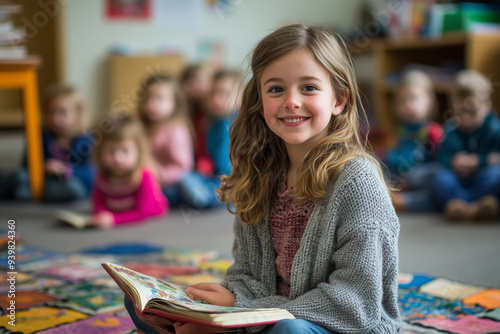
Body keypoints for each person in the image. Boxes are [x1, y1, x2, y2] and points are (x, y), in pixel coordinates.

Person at [125, 24, 401, 334]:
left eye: (308, 87)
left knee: (288, 331)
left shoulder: (357, 181)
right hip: (265, 317)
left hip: (343, 326)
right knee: (143, 306)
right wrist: (228, 302)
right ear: (259, 99)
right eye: (276, 89)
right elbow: (247, 274)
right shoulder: (260, 173)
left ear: (339, 100)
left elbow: (354, 304)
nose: (291, 101)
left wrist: (240, 309)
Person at [0, 84, 94, 202]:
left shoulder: (86, 140)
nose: (55, 118)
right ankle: (27, 193)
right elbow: (25, 166)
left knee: (74, 189)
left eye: (62, 112)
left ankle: (27, 194)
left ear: (78, 113)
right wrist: (42, 167)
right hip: (41, 179)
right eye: (51, 112)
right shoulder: (40, 136)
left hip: (66, 183)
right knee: (19, 176)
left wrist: (66, 170)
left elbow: (89, 175)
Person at [431, 70, 500, 221]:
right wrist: (453, 162)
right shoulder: (450, 130)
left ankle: (464, 207)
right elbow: (442, 158)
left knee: (497, 175)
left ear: (487, 106)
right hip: (459, 179)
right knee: (440, 179)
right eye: (460, 113)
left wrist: (479, 161)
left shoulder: (495, 128)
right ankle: (474, 207)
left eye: (473, 113)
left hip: (483, 177)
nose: (466, 120)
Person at [177, 69, 243, 209]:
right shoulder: (210, 123)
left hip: (238, 180)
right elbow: (206, 153)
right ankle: (214, 197)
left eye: (224, 94)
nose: (217, 100)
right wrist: (204, 164)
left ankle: (216, 198)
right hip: (215, 179)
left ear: (241, 97)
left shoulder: (242, 123)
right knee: (185, 179)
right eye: (213, 94)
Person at [90, 112, 168, 228]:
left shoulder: (144, 176)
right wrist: (101, 215)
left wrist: (114, 219)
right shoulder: (102, 177)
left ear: (138, 152)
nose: (118, 159)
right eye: (111, 151)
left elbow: (143, 212)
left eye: (125, 151)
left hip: (148, 215)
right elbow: (98, 204)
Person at [383, 70, 444, 211]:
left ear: (429, 100)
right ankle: (391, 197)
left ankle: (403, 202)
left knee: (440, 181)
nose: (408, 105)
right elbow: (386, 156)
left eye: (414, 98)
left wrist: (410, 180)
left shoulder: (435, 132)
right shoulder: (397, 132)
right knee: (374, 167)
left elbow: (441, 166)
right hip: (397, 180)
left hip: (420, 184)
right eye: (402, 100)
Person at [137, 72, 196, 207]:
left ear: (175, 102)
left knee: (184, 189)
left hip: (170, 182)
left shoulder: (176, 129)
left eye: (160, 99)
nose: (152, 104)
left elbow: (183, 167)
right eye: (147, 98)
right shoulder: (141, 127)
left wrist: (158, 176)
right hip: (146, 179)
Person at [181, 64, 215, 177]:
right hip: (189, 162)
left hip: (209, 163)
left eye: (201, 81)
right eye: (191, 82)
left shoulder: (215, 112)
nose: (196, 86)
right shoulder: (184, 112)